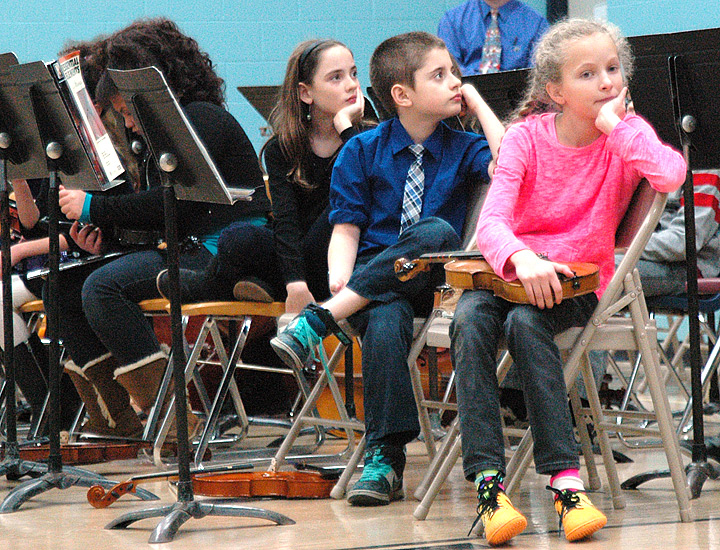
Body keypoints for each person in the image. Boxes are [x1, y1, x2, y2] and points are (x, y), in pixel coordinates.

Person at [449, 18, 686, 544]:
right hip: (512, 274)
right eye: (587, 74)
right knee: (470, 318)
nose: (606, 81)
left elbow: (671, 174)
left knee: (526, 324)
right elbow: (491, 223)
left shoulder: (626, 135)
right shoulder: (524, 139)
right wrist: (522, 258)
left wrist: (617, 127)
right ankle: (489, 487)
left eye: (612, 69)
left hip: (579, 284)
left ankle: (566, 485)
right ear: (555, 91)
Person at [271, 31, 504, 506]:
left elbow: (508, 165)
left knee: (437, 231)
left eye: (454, 73)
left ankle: (320, 319)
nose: (454, 82)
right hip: (375, 282)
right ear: (402, 95)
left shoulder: (464, 147)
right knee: (383, 315)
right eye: (439, 75)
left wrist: (477, 102)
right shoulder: (360, 150)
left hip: (434, 280)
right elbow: (346, 229)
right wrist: (341, 278)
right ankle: (385, 459)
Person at [54, 17, 269, 439]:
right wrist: (103, 243)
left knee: (102, 288)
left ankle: (173, 420)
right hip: (187, 249)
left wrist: (94, 207)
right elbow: (163, 217)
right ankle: (116, 420)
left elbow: (174, 205)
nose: (128, 123)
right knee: (61, 290)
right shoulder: (166, 136)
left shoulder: (201, 118)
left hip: (220, 254)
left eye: (126, 111)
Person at [158, 38, 373, 314]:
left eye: (354, 73)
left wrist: (345, 128)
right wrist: (295, 284)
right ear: (306, 93)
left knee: (338, 206)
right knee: (238, 238)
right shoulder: (281, 149)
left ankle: (232, 284)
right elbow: (287, 222)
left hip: (345, 263)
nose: (352, 85)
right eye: (336, 77)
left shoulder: (368, 138)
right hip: (295, 259)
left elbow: (367, 187)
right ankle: (257, 285)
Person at [437, 0, 548, 76]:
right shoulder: (452, 21)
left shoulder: (537, 25)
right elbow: (449, 71)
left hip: (517, 99)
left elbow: (536, 77)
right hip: (463, 97)